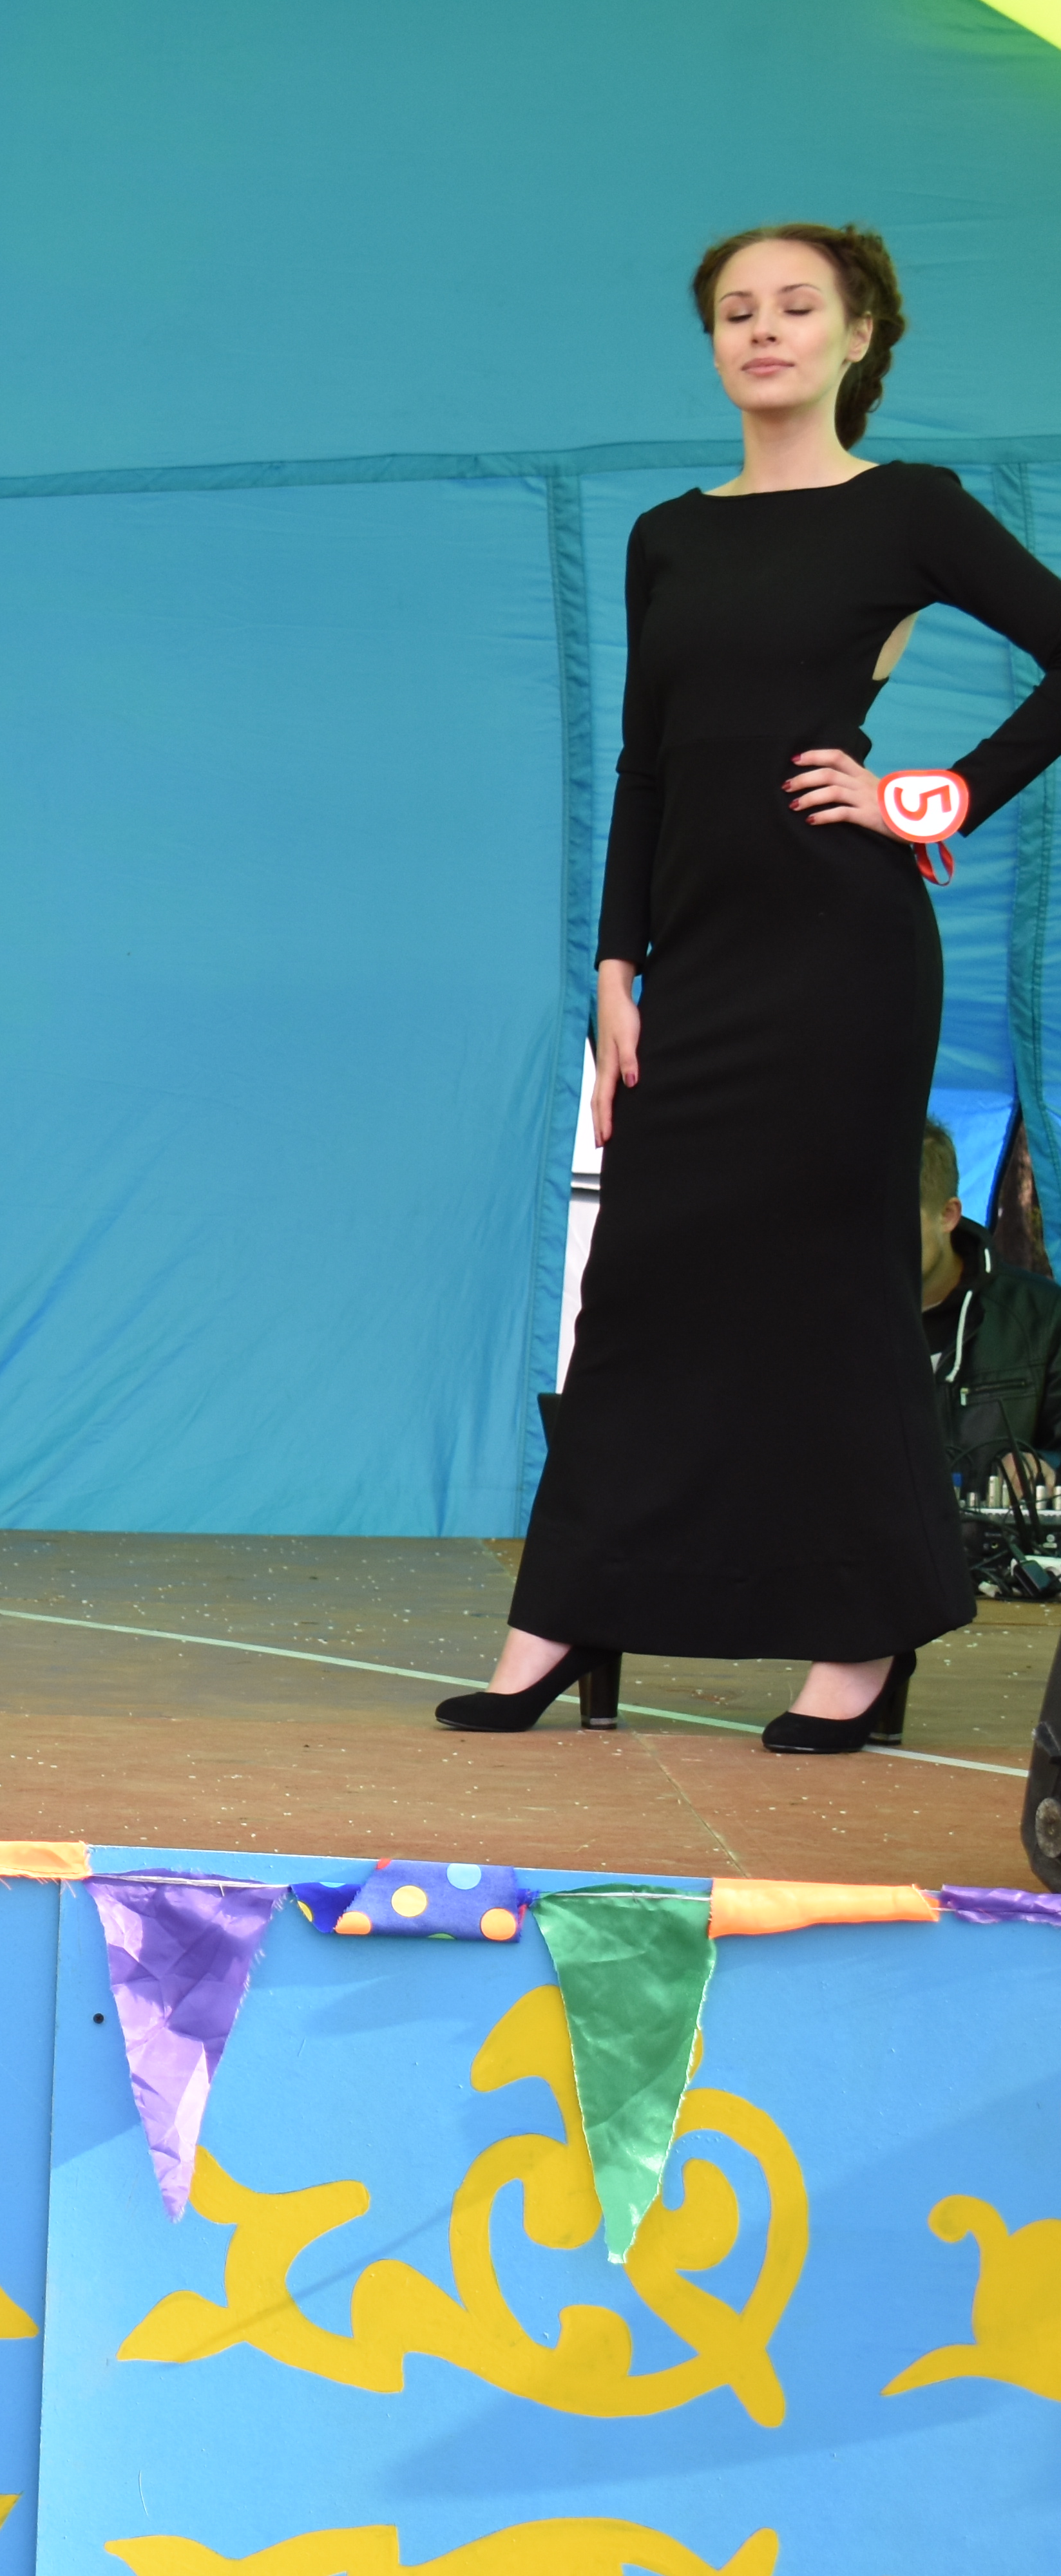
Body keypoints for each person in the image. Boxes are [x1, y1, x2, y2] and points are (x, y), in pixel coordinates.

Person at [448, 224, 1061, 1755]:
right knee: (638, 1286)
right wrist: (613, 969)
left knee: (835, 1290)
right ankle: (567, 1611)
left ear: (861, 338)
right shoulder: (669, 536)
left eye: (798, 306)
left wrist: (933, 796)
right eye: (736, 311)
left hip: (844, 956)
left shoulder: (909, 511)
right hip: (695, 960)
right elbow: (647, 765)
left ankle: (862, 1633)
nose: (764, 330)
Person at [915, 1119, 1061, 1493]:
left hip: (996, 1533)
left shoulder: (1044, 1316)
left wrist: (1045, 1467)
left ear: (949, 1215)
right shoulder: (833, 1319)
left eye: (901, 1226)